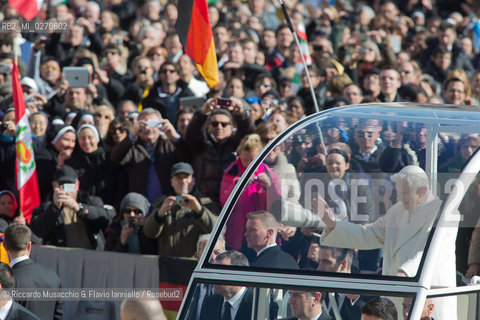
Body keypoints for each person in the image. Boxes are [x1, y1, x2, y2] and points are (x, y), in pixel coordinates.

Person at [319, 165, 457, 320]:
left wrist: (404, 272)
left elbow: (433, 252)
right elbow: (369, 234)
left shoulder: (445, 213)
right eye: (398, 192)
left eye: (405, 193)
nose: (399, 198)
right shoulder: (397, 211)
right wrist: (333, 223)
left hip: (427, 296)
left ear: (422, 191)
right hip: (396, 294)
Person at [185, 97, 255, 203]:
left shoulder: (237, 145)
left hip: (230, 201)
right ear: (207, 126)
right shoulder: (201, 144)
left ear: (231, 128)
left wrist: (241, 115)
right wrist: (203, 113)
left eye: (224, 124)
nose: (219, 127)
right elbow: (192, 134)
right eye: (214, 124)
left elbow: (250, 136)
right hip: (204, 201)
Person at [143, 162, 220, 257]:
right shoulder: (162, 203)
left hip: (193, 265)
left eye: (186, 177)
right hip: (167, 265)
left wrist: (199, 211)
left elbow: (219, 231)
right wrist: (160, 214)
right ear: (172, 181)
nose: (183, 181)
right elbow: (149, 232)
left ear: (193, 180)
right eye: (178, 177)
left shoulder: (206, 203)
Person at [220, 134, 281, 252]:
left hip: (262, 237)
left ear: (261, 157)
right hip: (236, 236)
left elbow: (278, 208)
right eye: (245, 160)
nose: (249, 165)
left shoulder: (271, 176)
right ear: (239, 156)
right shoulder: (231, 173)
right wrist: (238, 185)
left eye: (253, 160)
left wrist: (269, 188)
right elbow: (224, 203)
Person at [30, 165, 116, 250]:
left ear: (77, 185)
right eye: (62, 185)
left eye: (70, 185)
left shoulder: (90, 201)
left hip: (92, 257)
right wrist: (54, 208)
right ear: (54, 185)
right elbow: (38, 231)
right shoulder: (47, 207)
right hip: (62, 259)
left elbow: (107, 219)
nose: (67, 190)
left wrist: (80, 208)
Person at [110, 108, 180, 204]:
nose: (148, 128)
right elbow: (114, 157)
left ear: (160, 126)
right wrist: (132, 136)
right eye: (143, 124)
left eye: (152, 124)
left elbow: (185, 158)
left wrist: (175, 137)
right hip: (140, 206)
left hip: (167, 202)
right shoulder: (133, 145)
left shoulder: (168, 144)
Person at [3, 223, 63, 320]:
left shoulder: (6, 282)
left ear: (5, 246)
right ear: (29, 246)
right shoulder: (52, 275)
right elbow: (59, 316)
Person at [200, 250, 253, 320]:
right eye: (213, 272)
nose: (213, 277)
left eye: (220, 272)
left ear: (239, 274)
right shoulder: (211, 303)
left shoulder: (257, 303)